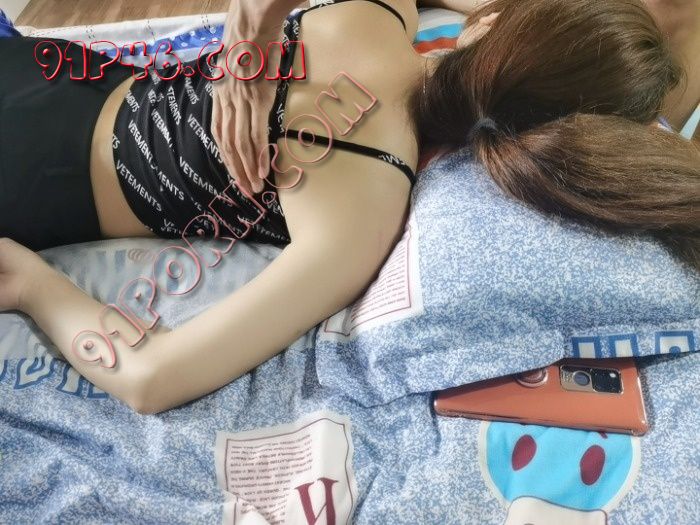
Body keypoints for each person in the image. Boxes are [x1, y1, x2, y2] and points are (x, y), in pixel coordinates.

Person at [0, 0, 697, 414]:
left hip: (56, 75)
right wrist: (34, 285)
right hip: (39, 180)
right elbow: (150, 378)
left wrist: (251, 33)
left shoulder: (375, 13)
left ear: (490, 20)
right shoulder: (366, 206)